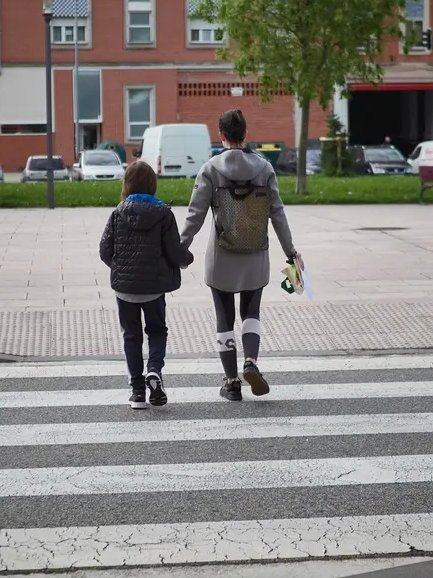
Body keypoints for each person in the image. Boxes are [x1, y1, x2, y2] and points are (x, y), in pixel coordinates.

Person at [181, 109, 302, 402]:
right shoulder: (264, 168)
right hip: (256, 253)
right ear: (246, 134)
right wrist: (291, 252)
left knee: (224, 316)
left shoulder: (210, 169)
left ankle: (232, 383)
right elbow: (277, 213)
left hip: (221, 255)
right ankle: (251, 361)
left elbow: (195, 215)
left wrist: (179, 248)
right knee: (251, 311)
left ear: (221, 136)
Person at [100, 161, 193, 409]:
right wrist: (187, 260)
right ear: (153, 184)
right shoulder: (164, 214)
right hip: (154, 288)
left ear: (126, 184)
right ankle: (154, 370)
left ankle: (137, 391)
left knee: (131, 336)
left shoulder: (117, 213)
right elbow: (175, 251)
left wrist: (121, 269)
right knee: (157, 331)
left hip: (125, 290)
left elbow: (104, 250)